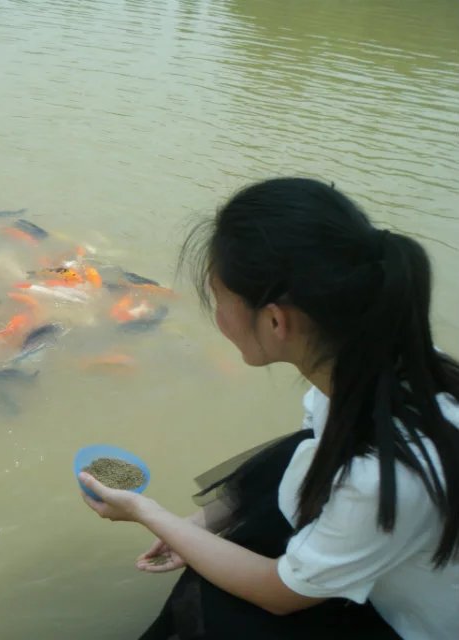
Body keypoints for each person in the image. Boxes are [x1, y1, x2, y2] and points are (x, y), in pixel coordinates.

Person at [79, 177, 459, 639]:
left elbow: (279, 594)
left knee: (217, 605)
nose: (217, 317)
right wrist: (200, 525)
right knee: (280, 470)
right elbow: (306, 448)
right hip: (375, 543)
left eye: (219, 301)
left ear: (276, 320)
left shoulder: (382, 476)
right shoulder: (385, 358)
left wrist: (147, 513)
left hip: (411, 625)